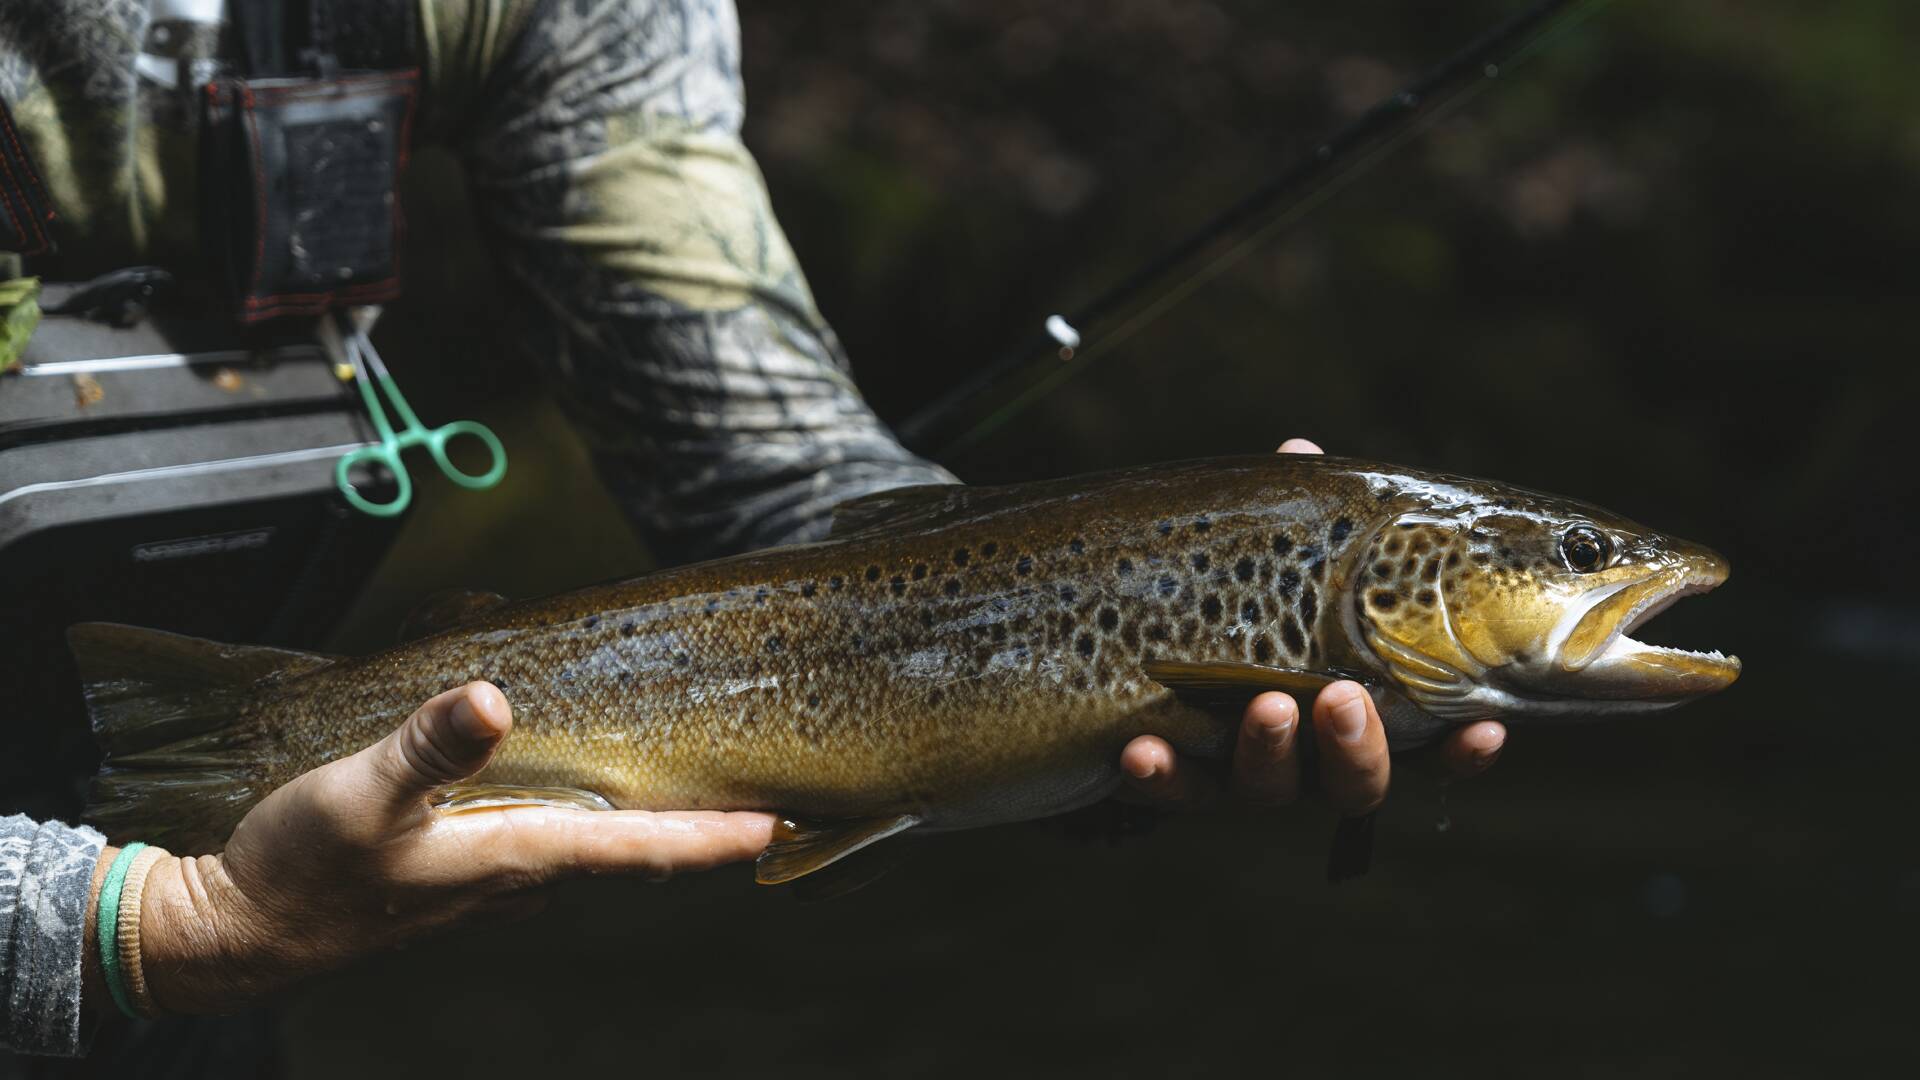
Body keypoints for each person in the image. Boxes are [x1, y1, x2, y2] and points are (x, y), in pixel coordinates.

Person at [0, 0, 1507, 1060]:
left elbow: (760, 460)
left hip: (243, 899)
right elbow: (159, 930)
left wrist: (1089, 640)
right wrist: (137, 927)